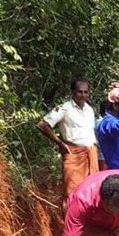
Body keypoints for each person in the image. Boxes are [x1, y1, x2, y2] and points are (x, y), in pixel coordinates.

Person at [37, 79, 98, 210]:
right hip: (74, 154)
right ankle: (69, 228)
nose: (83, 95)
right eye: (79, 92)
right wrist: (59, 142)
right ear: (73, 93)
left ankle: (86, 227)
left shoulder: (89, 109)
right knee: (72, 192)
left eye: (86, 92)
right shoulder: (64, 108)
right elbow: (43, 125)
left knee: (91, 191)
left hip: (91, 153)